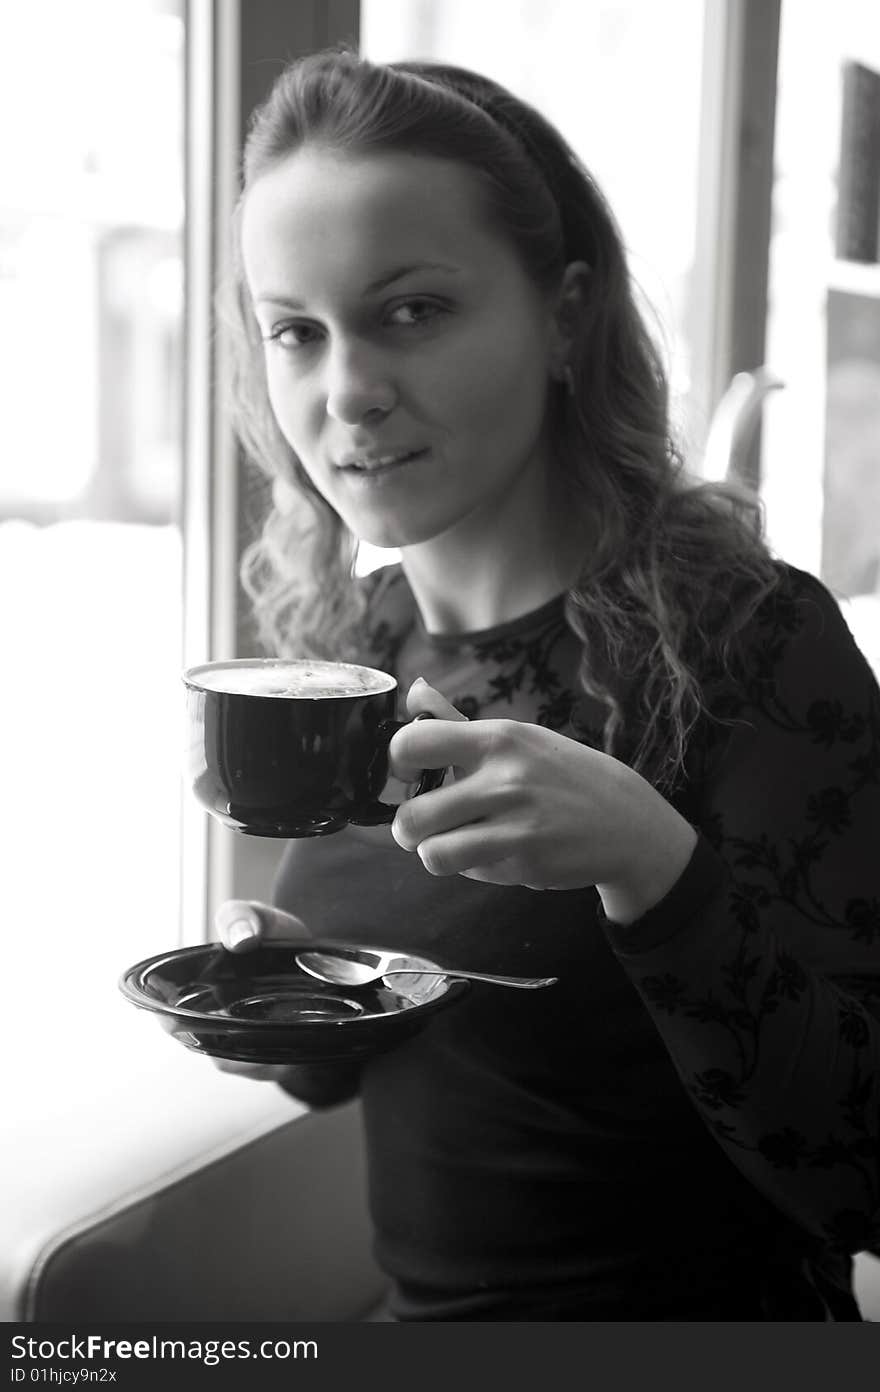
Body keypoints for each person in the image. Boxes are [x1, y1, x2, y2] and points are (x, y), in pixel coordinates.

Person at [213, 47, 880, 1320]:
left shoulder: (749, 644)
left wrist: (652, 866)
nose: (346, 389)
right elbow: (402, 1068)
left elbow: (863, 1180)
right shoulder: (361, 649)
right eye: (296, 331)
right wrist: (293, 981)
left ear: (565, 315)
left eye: (410, 310)